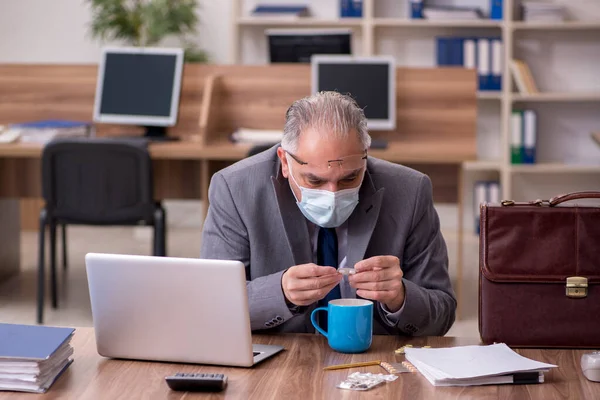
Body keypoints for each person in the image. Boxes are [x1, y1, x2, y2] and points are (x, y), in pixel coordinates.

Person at [200, 91, 456, 336]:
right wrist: (279, 292)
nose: (333, 193)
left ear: (365, 159)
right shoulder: (235, 189)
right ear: (285, 162)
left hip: (375, 359)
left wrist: (400, 297)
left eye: (350, 178)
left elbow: (442, 315)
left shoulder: (410, 192)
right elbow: (212, 306)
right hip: (279, 361)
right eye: (315, 181)